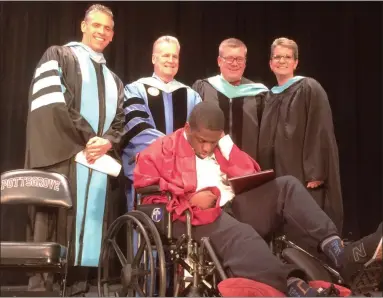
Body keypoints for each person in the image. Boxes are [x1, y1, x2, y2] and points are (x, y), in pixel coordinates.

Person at [133, 101, 382, 296]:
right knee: (240, 234)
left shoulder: (221, 146)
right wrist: (189, 203)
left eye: (213, 141)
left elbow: (251, 173)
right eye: (202, 141)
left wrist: (228, 151)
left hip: (232, 205)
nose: (207, 148)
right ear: (188, 129)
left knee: (287, 187)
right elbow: (147, 200)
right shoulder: (159, 151)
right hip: (196, 217)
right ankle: (292, 285)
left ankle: (341, 254)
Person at [24, 4, 125, 291]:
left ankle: (79, 284)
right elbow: (55, 103)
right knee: (55, 220)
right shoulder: (59, 56)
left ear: (112, 35)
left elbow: (120, 119)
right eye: (96, 25)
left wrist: (108, 142)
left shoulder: (114, 79)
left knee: (90, 221)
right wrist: (87, 139)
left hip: (96, 161)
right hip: (64, 156)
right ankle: (44, 286)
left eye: (107, 28)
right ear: (84, 26)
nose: (101, 32)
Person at [257, 37, 343, 234]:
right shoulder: (269, 96)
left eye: (287, 57)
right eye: (277, 57)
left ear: (296, 62)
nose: (282, 61)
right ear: (270, 63)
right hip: (277, 170)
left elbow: (320, 128)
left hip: (303, 172)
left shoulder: (309, 87)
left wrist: (316, 171)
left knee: (305, 223)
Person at [121, 35, 201, 211]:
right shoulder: (135, 89)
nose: (171, 60)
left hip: (182, 175)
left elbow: (198, 133)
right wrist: (174, 150)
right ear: (153, 58)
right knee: (145, 228)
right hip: (148, 172)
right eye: (165, 55)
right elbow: (138, 128)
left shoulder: (191, 95)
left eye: (175, 56)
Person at [192, 38, 268, 160]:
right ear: (219, 61)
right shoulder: (204, 88)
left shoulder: (259, 94)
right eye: (229, 59)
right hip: (209, 164)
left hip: (247, 164)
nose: (234, 63)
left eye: (239, 59)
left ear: (245, 62)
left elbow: (266, 136)